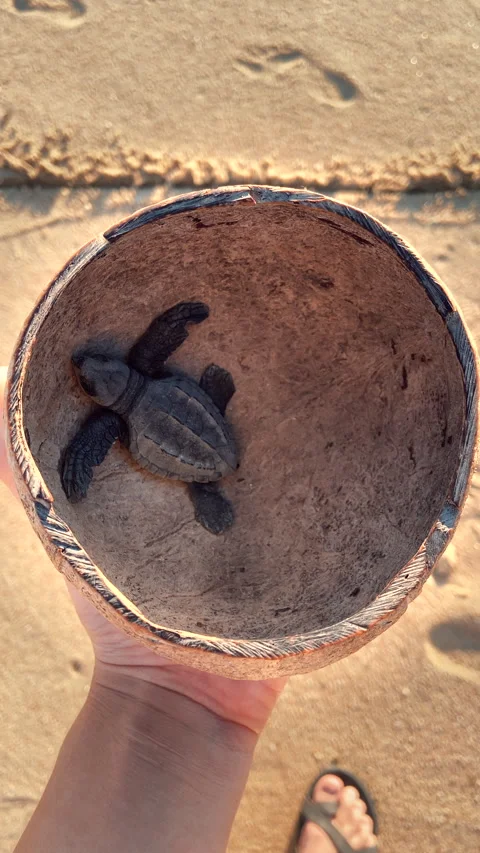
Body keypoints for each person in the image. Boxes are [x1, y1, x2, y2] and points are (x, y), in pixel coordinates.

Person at [0, 367, 378, 853]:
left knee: (107, 454)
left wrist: (76, 466)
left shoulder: (111, 425)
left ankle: (206, 491)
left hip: (177, 433)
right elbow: (157, 340)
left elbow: (85, 456)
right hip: (177, 403)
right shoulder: (145, 368)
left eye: (94, 378)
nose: (89, 371)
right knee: (190, 400)